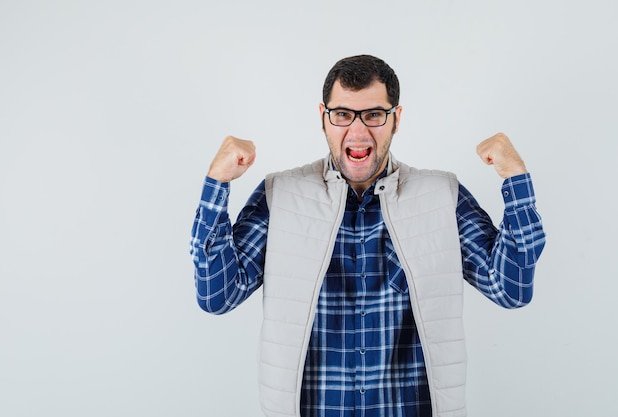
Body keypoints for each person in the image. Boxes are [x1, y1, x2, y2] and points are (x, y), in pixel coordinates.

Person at [190, 54, 545, 417]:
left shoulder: (442, 197)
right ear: (323, 118)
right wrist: (215, 185)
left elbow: (511, 288)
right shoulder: (281, 196)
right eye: (342, 114)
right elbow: (218, 296)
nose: (358, 133)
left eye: (374, 115)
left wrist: (515, 177)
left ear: (396, 119)